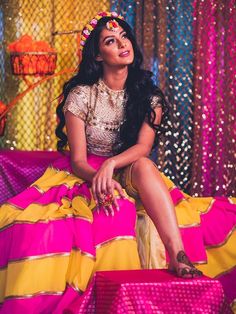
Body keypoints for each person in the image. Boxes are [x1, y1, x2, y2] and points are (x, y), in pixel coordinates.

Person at [0, 11, 235, 314]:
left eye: (124, 36)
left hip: (131, 166)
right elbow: (78, 160)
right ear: (98, 55)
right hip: (84, 172)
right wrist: (101, 174)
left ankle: (179, 256)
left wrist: (111, 165)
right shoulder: (80, 96)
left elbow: (143, 148)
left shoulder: (149, 97)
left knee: (147, 166)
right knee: (52, 223)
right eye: (111, 41)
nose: (122, 44)